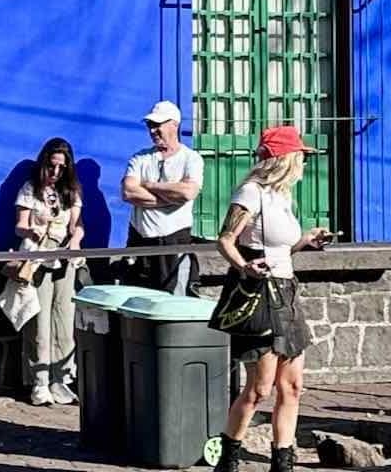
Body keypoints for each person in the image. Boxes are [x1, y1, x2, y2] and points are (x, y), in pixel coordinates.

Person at [212, 126, 336, 472]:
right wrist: (245, 266)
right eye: (301, 156)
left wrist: (305, 241)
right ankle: (228, 457)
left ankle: (283, 462)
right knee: (260, 388)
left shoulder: (282, 196)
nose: (304, 164)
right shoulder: (251, 192)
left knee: (292, 386)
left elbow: (280, 247)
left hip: (287, 292)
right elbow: (225, 239)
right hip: (260, 295)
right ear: (284, 159)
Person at [16, 137, 85, 406]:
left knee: (64, 319)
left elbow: (78, 225)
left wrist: (76, 239)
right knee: (40, 322)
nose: (56, 172)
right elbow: (19, 225)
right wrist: (31, 229)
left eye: (61, 167)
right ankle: (40, 380)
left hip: (65, 259)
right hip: (38, 259)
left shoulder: (72, 192)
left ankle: (61, 379)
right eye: (52, 166)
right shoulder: (29, 189)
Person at [121, 101, 204, 294]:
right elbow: (129, 191)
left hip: (173, 240)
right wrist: (169, 198)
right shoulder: (140, 158)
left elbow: (188, 192)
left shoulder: (191, 159)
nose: (153, 130)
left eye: (158, 125)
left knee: (174, 298)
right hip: (139, 240)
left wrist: (150, 185)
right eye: (150, 125)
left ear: (174, 124)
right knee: (134, 298)